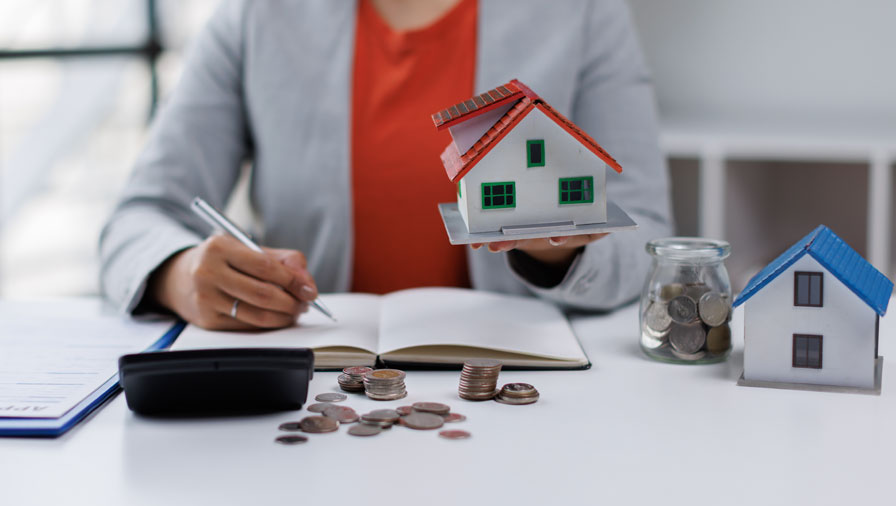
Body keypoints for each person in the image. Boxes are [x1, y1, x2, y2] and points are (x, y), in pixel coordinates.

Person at [99, 0, 672, 330]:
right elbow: (138, 219)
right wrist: (179, 273)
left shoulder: (582, 12)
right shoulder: (258, 15)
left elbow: (651, 238)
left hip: (523, 396)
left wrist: (564, 254)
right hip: (315, 392)